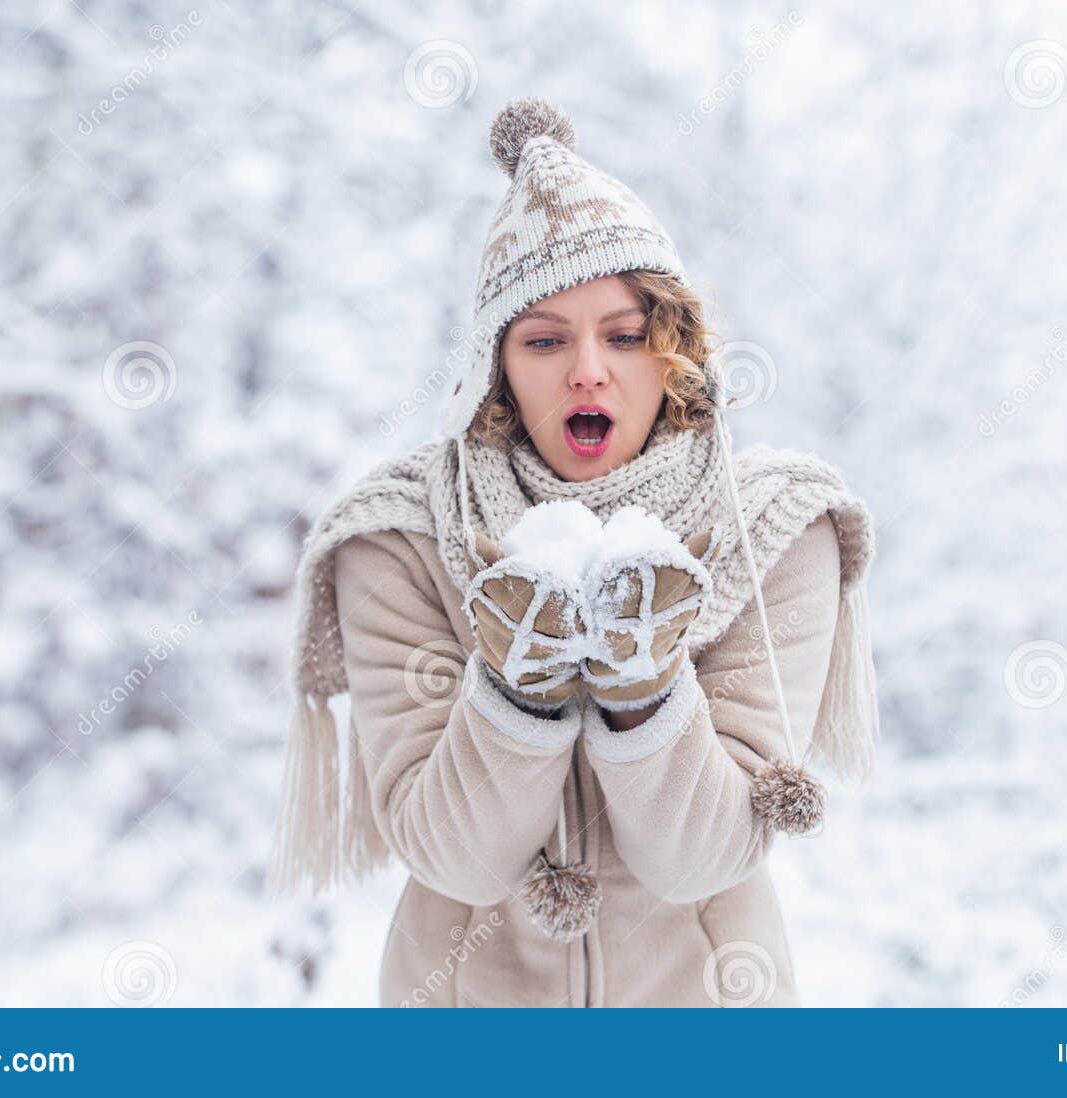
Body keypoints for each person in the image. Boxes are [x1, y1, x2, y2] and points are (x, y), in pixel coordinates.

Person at [268, 97, 879, 1007]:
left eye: (625, 336)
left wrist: (642, 689)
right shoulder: (399, 539)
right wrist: (520, 687)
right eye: (545, 340)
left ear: (673, 350)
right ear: (496, 365)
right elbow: (454, 859)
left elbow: (704, 857)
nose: (587, 370)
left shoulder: (776, 529)